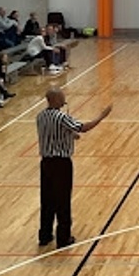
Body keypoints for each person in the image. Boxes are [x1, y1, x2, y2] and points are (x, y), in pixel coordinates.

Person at [36, 88, 112, 249]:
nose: (64, 99)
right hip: (61, 164)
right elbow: (83, 127)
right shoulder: (61, 116)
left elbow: (53, 134)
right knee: (62, 200)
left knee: (47, 200)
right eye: (62, 97)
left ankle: (45, 235)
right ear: (55, 99)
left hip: (46, 163)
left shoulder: (41, 116)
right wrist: (101, 116)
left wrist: (70, 135)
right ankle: (63, 238)